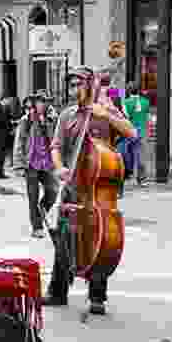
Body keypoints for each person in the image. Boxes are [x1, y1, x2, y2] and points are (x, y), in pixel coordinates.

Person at [44, 66, 136, 315]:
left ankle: (97, 295)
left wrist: (106, 115)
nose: (75, 90)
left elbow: (131, 132)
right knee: (62, 237)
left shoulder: (105, 111)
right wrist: (60, 167)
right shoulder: (67, 115)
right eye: (71, 86)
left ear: (90, 85)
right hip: (72, 186)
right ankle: (57, 290)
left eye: (79, 85)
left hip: (95, 190)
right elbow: (55, 146)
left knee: (100, 238)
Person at [13, 93, 58, 238]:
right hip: (31, 163)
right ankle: (37, 227)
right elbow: (19, 142)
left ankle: (42, 208)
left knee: (53, 191)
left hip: (47, 162)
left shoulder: (51, 119)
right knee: (33, 196)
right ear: (35, 104)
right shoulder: (26, 121)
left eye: (45, 102)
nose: (43, 105)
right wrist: (18, 164)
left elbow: (57, 139)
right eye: (40, 102)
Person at [122, 81, 150, 187]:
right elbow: (147, 118)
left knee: (126, 152)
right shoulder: (146, 102)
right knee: (141, 155)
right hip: (142, 130)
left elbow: (126, 117)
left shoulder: (126, 102)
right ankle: (142, 179)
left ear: (129, 91)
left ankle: (127, 174)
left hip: (130, 130)